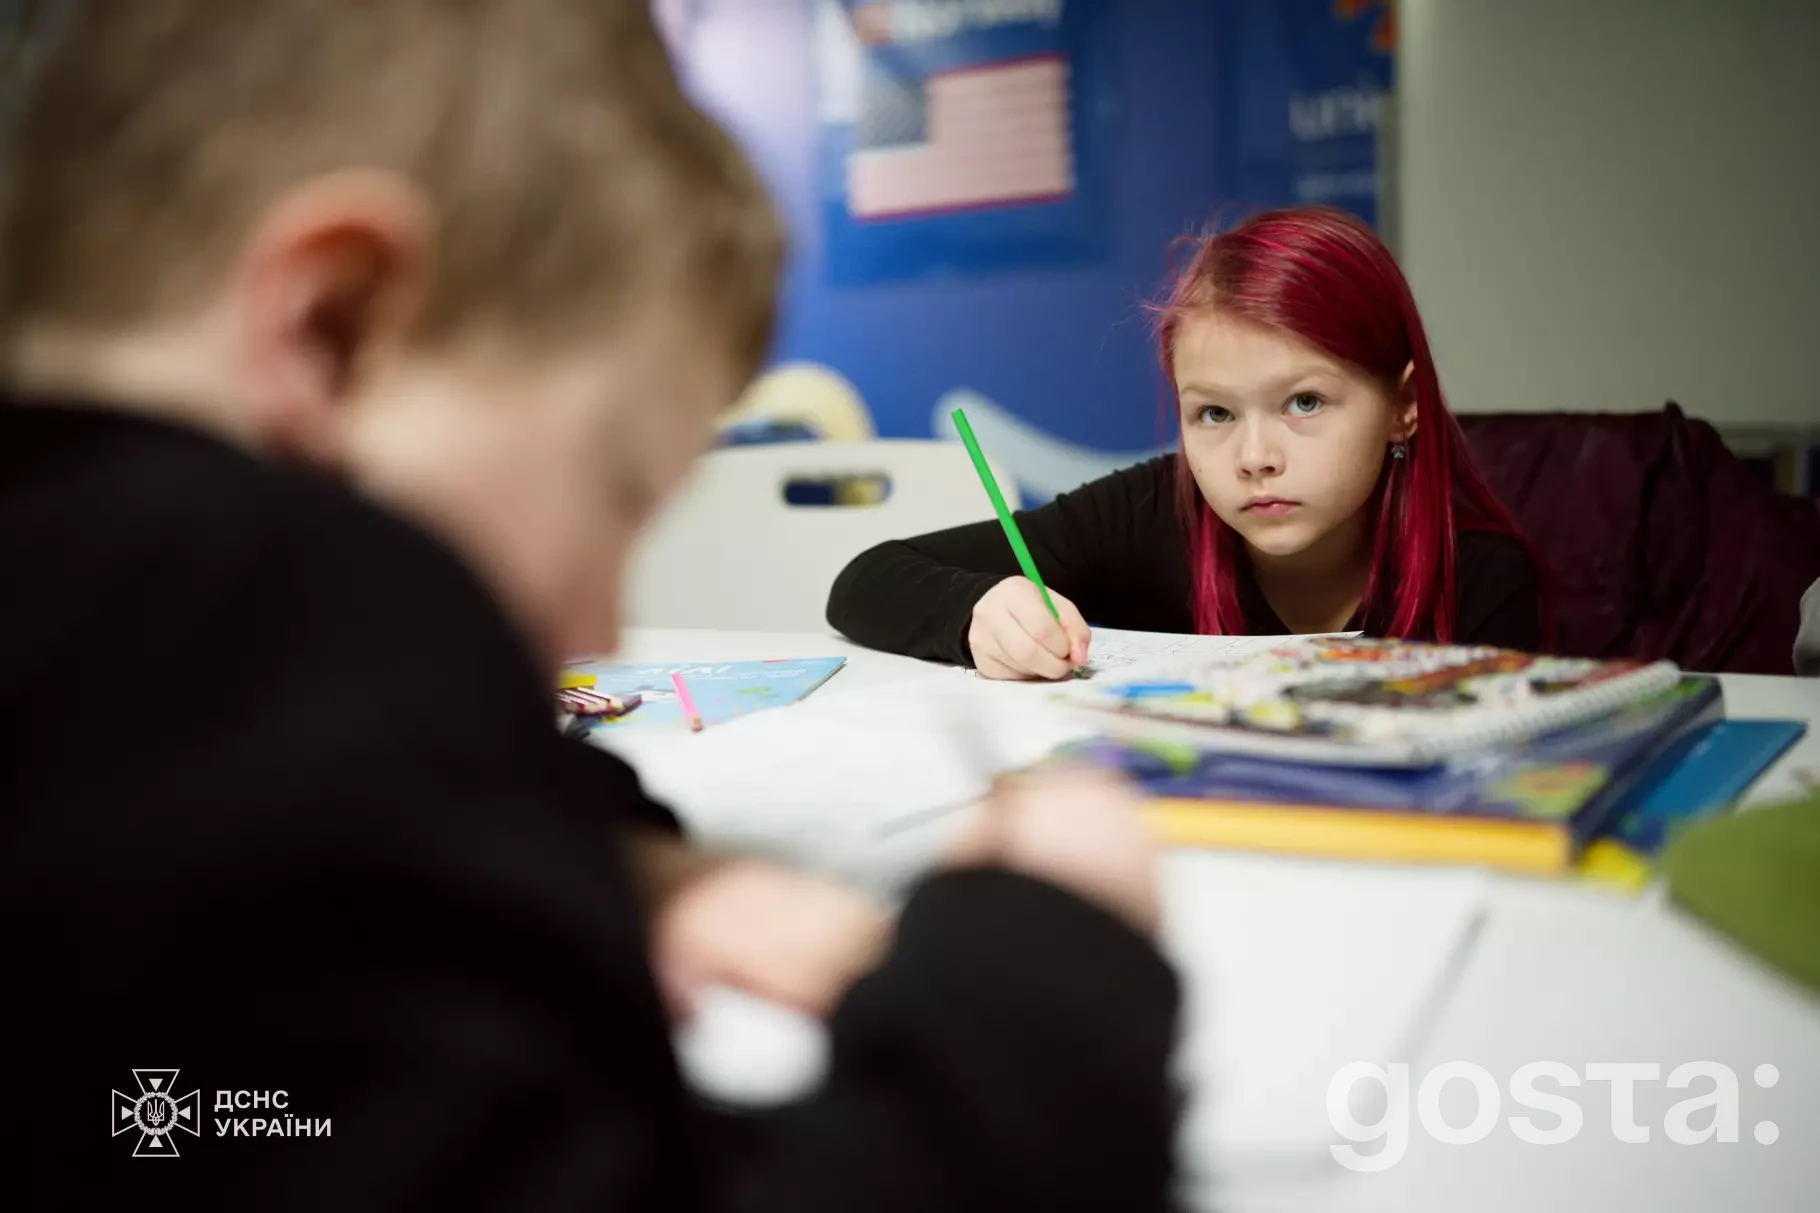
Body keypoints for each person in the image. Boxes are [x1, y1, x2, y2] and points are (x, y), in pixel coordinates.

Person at [4, 3, 1179, 1209]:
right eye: (618, 498)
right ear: (332, 332)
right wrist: (1049, 956)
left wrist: (635, 867)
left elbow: (413, 792)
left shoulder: (102, 636)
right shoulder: (250, 592)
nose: (604, 635)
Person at [827, 206, 1547, 680]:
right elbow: (867, 577)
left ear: (1404, 408)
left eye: (1304, 401)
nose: (1254, 456)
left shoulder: (1485, 578)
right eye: (1213, 414)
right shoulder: (1155, 508)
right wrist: (979, 613)